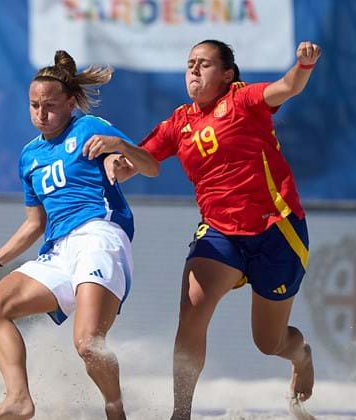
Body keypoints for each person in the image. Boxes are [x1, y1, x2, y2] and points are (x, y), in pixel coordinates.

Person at [103, 40, 322, 420]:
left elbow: (287, 87)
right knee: (191, 315)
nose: (193, 70)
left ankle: (301, 355)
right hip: (220, 234)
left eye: (203, 64)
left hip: (276, 229)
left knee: (269, 342)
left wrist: (303, 66)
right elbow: (138, 163)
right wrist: (113, 161)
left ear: (226, 74)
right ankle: (181, 413)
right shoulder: (179, 122)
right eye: (189, 63)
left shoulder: (242, 101)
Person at [0, 50, 159, 420]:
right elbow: (34, 223)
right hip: (57, 250)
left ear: (70, 102)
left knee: (87, 344)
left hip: (99, 237)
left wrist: (120, 147)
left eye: (49, 105)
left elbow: (151, 166)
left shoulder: (88, 127)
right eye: (34, 105)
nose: (41, 113)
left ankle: (114, 409)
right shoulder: (29, 156)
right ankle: (19, 400)